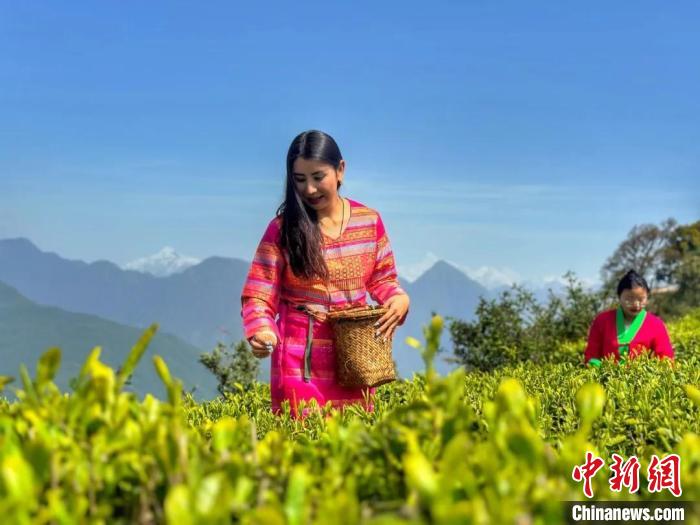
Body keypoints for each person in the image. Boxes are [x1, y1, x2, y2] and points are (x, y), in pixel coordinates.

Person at [240, 130, 410, 416]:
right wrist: (262, 330)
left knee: (353, 434)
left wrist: (398, 298)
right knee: (302, 435)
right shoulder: (281, 230)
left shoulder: (369, 221)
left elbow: (383, 277)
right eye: (299, 179)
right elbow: (259, 293)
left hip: (354, 355)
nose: (309, 189)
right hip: (299, 360)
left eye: (318, 177)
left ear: (340, 170)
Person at [584, 269, 674, 366]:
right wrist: (606, 370)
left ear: (647, 297)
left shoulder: (656, 324)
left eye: (641, 299)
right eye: (629, 299)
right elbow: (591, 358)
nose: (636, 304)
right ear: (619, 297)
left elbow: (666, 360)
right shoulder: (602, 321)